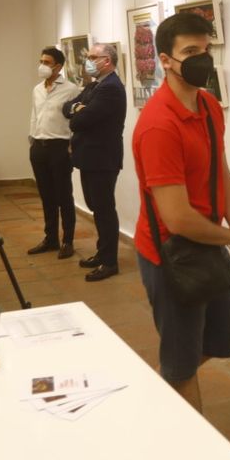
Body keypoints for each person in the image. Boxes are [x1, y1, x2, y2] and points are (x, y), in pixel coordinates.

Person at [132, 12, 230, 411]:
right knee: (182, 365)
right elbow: (177, 217)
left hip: (207, 244)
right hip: (170, 253)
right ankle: (191, 453)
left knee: (217, 344)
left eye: (206, 50)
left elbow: (221, 174)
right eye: (191, 52)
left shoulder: (208, 106)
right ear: (165, 60)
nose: (202, 59)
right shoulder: (158, 125)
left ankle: (159, 391)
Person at [65, 42, 127, 282]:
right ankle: (102, 254)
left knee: (103, 209)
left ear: (107, 61)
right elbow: (66, 108)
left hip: (103, 157)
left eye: (92, 57)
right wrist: (78, 108)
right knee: (96, 207)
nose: (87, 61)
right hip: (90, 157)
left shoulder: (110, 88)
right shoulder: (94, 85)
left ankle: (110, 261)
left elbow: (78, 121)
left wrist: (78, 112)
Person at [28, 46, 81, 259]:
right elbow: (34, 115)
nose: (42, 66)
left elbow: (76, 120)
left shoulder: (72, 90)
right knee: (46, 196)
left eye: (47, 62)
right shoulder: (37, 89)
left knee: (63, 196)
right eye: (41, 60)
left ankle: (68, 240)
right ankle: (51, 239)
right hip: (38, 147)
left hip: (59, 147)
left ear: (58, 66)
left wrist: (71, 146)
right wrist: (31, 138)